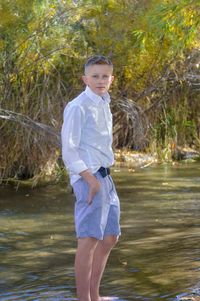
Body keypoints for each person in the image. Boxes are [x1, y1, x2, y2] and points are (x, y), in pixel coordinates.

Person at [61, 55, 121, 301]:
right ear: (85, 78)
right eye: (95, 76)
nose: (100, 80)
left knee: (110, 237)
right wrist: (89, 179)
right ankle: (83, 299)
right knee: (88, 239)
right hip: (89, 177)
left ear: (111, 79)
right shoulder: (78, 106)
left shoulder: (103, 102)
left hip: (105, 176)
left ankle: (94, 296)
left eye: (105, 76)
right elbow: (68, 148)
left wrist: (100, 179)